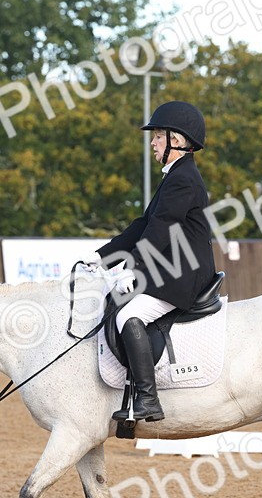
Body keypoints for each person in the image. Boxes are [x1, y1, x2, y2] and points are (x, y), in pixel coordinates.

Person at [89, 101, 217, 422]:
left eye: (158, 136)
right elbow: (142, 226)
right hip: (171, 270)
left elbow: (161, 230)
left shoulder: (183, 178)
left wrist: (133, 269)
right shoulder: (175, 175)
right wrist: (101, 258)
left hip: (184, 275)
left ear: (178, 140)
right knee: (116, 304)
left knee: (128, 315)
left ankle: (148, 399)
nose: (153, 143)